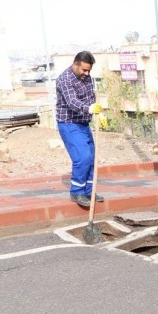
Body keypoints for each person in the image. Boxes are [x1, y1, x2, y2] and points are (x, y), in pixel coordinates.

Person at [56, 51, 103, 208]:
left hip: (83, 123)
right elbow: (72, 102)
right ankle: (76, 192)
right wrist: (88, 108)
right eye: (84, 70)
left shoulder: (86, 77)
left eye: (89, 70)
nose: (86, 73)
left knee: (91, 159)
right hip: (69, 123)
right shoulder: (65, 79)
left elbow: (90, 97)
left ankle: (89, 191)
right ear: (75, 64)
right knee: (83, 157)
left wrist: (97, 112)